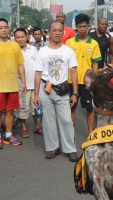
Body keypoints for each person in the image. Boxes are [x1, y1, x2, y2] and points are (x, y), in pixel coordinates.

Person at [33, 21, 78, 161]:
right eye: (54, 30)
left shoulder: (68, 51)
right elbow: (38, 73)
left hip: (62, 89)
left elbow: (74, 72)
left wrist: (75, 93)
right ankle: (53, 148)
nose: (57, 33)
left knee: (66, 120)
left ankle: (70, 149)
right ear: (49, 33)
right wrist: (36, 94)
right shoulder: (43, 51)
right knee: (48, 121)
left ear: (63, 33)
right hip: (45, 89)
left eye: (60, 30)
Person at [0, 18, 26, 149]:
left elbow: (20, 65)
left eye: (6, 27)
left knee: (10, 111)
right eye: (1, 27)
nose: (4, 29)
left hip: (13, 85)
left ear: (8, 29)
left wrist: (23, 82)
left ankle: (8, 134)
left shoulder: (15, 45)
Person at [66, 13, 102, 134]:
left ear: (88, 27)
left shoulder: (94, 44)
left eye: (84, 26)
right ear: (76, 27)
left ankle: (91, 133)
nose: (82, 29)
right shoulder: (69, 43)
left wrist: (94, 80)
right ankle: (70, 134)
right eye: (80, 26)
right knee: (72, 108)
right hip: (71, 81)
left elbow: (95, 63)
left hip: (87, 83)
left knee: (90, 108)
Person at [14, 28, 42, 137]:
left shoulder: (34, 49)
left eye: (22, 37)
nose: (20, 39)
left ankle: (37, 127)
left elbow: (39, 67)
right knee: (22, 108)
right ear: (14, 38)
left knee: (36, 108)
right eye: (18, 37)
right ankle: (24, 129)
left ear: (27, 37)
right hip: (20, 85)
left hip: (34, 84)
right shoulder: (14, 50)